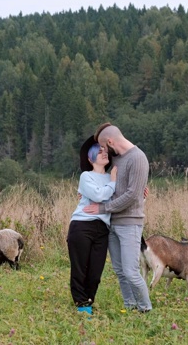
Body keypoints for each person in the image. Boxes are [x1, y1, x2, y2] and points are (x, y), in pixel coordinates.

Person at [83, 123, 153, 313]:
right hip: (112, 223)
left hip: (130, 223)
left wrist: (102, 208)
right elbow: (111, 186)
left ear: (111, 141)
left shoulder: (138, 158)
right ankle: (130, 307)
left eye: (103, 147)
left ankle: (146, 309)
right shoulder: (116, 159)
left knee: (131, 271)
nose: (103, 151)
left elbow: (131, 195)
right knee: (120, 271)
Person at [67, 135, 117, 315]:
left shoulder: (113, 178)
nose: (104, 153)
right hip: (82, 225)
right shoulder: (86, 176)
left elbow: (121, 200)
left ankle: (89, 299)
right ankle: (82, 304)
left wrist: (141, 194)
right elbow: (97, 196)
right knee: (80, 268)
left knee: (96, 272)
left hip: (102, 229)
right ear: (90, 158)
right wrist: (112, 183)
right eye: (99, 151)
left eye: (105, 151)